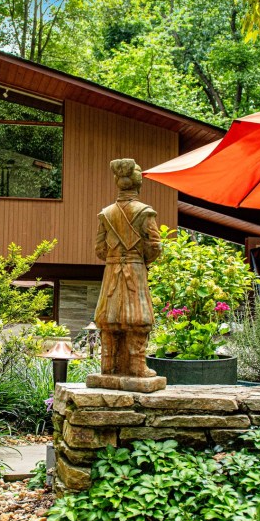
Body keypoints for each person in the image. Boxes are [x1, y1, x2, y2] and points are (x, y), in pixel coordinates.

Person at [93, 158, 162, 377]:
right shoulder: (145, 212)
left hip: (111, 271)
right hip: (135, 269)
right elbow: (155, 246)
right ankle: (137, 366)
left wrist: (114, 257)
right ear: (138, 184)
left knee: (109, 316)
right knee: (138, 317)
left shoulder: (106, 213)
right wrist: (142, 260)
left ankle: (108, 365)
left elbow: (99, 248)